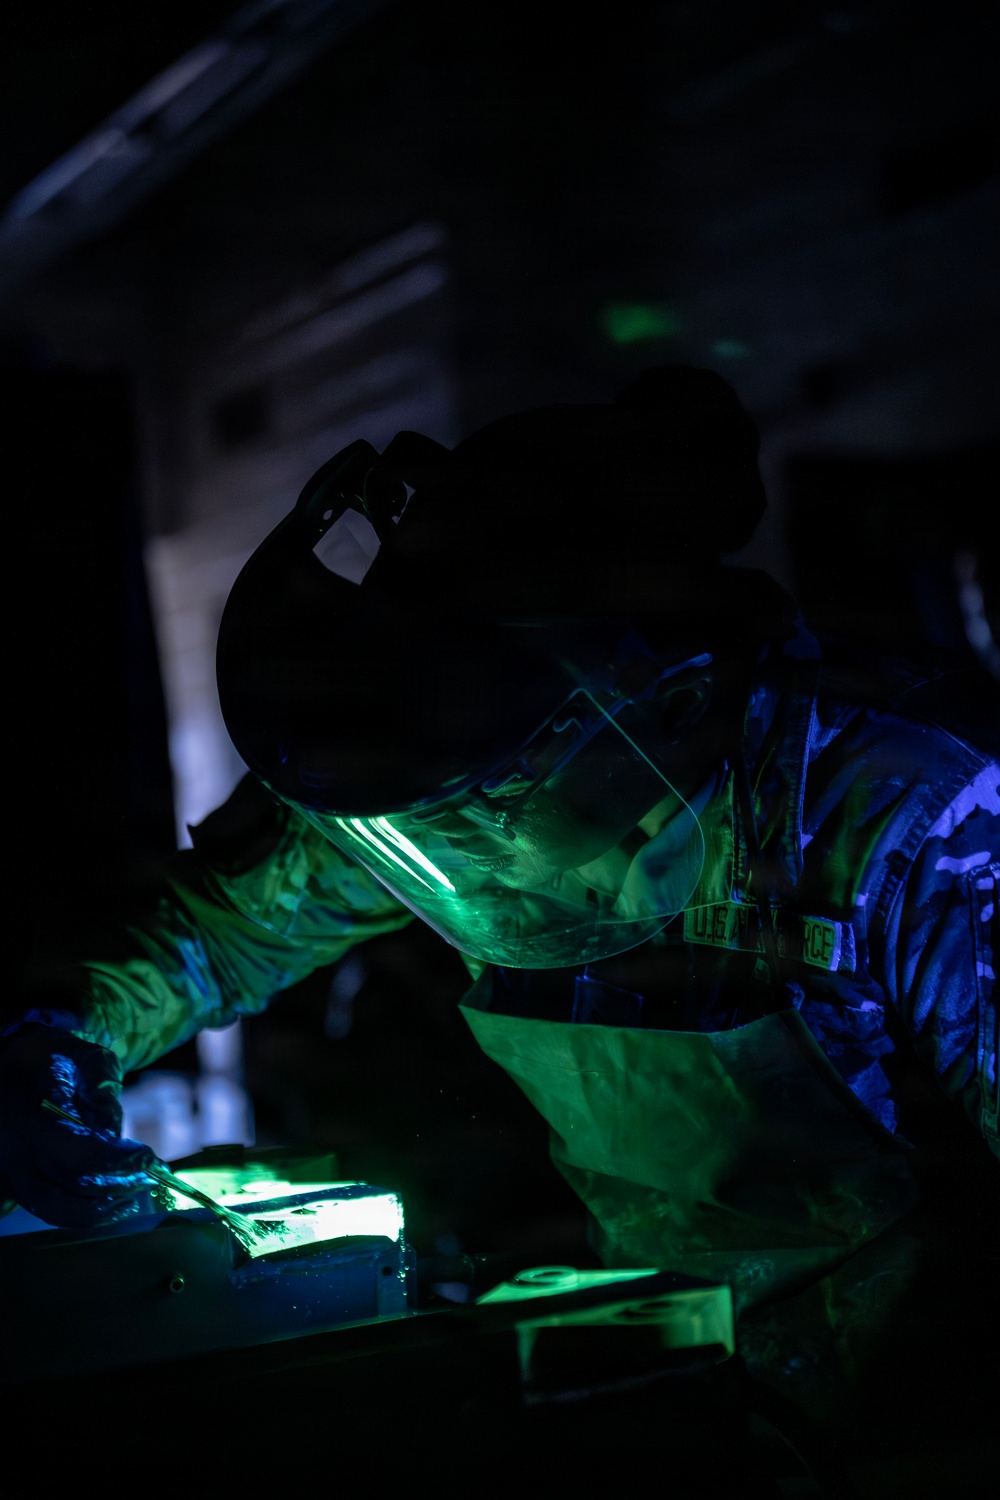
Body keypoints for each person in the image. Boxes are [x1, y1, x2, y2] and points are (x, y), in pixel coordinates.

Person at [1, 365, 997, 1435]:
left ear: (667, 707)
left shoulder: (909, 812)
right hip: (688, 1383)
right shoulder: (446, 773)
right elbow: (216, 930)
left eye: (500, 801)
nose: (469, 852)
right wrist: (58, 1034)